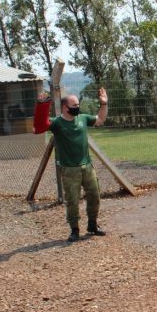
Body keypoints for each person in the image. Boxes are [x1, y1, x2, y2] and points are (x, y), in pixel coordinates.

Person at [34, 88, 108, 242]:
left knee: (94, 196)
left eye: (78, 105)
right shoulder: (57, 123)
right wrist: (42, 105)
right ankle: (74, 230)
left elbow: (100, 120)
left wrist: (104, 104)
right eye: (74, 105)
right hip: (69, 169)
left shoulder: (82, 118)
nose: (77, 108)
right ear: (64, 107)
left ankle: (92, 225)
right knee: (73, 201)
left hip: (87, 166)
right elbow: (39, 126)